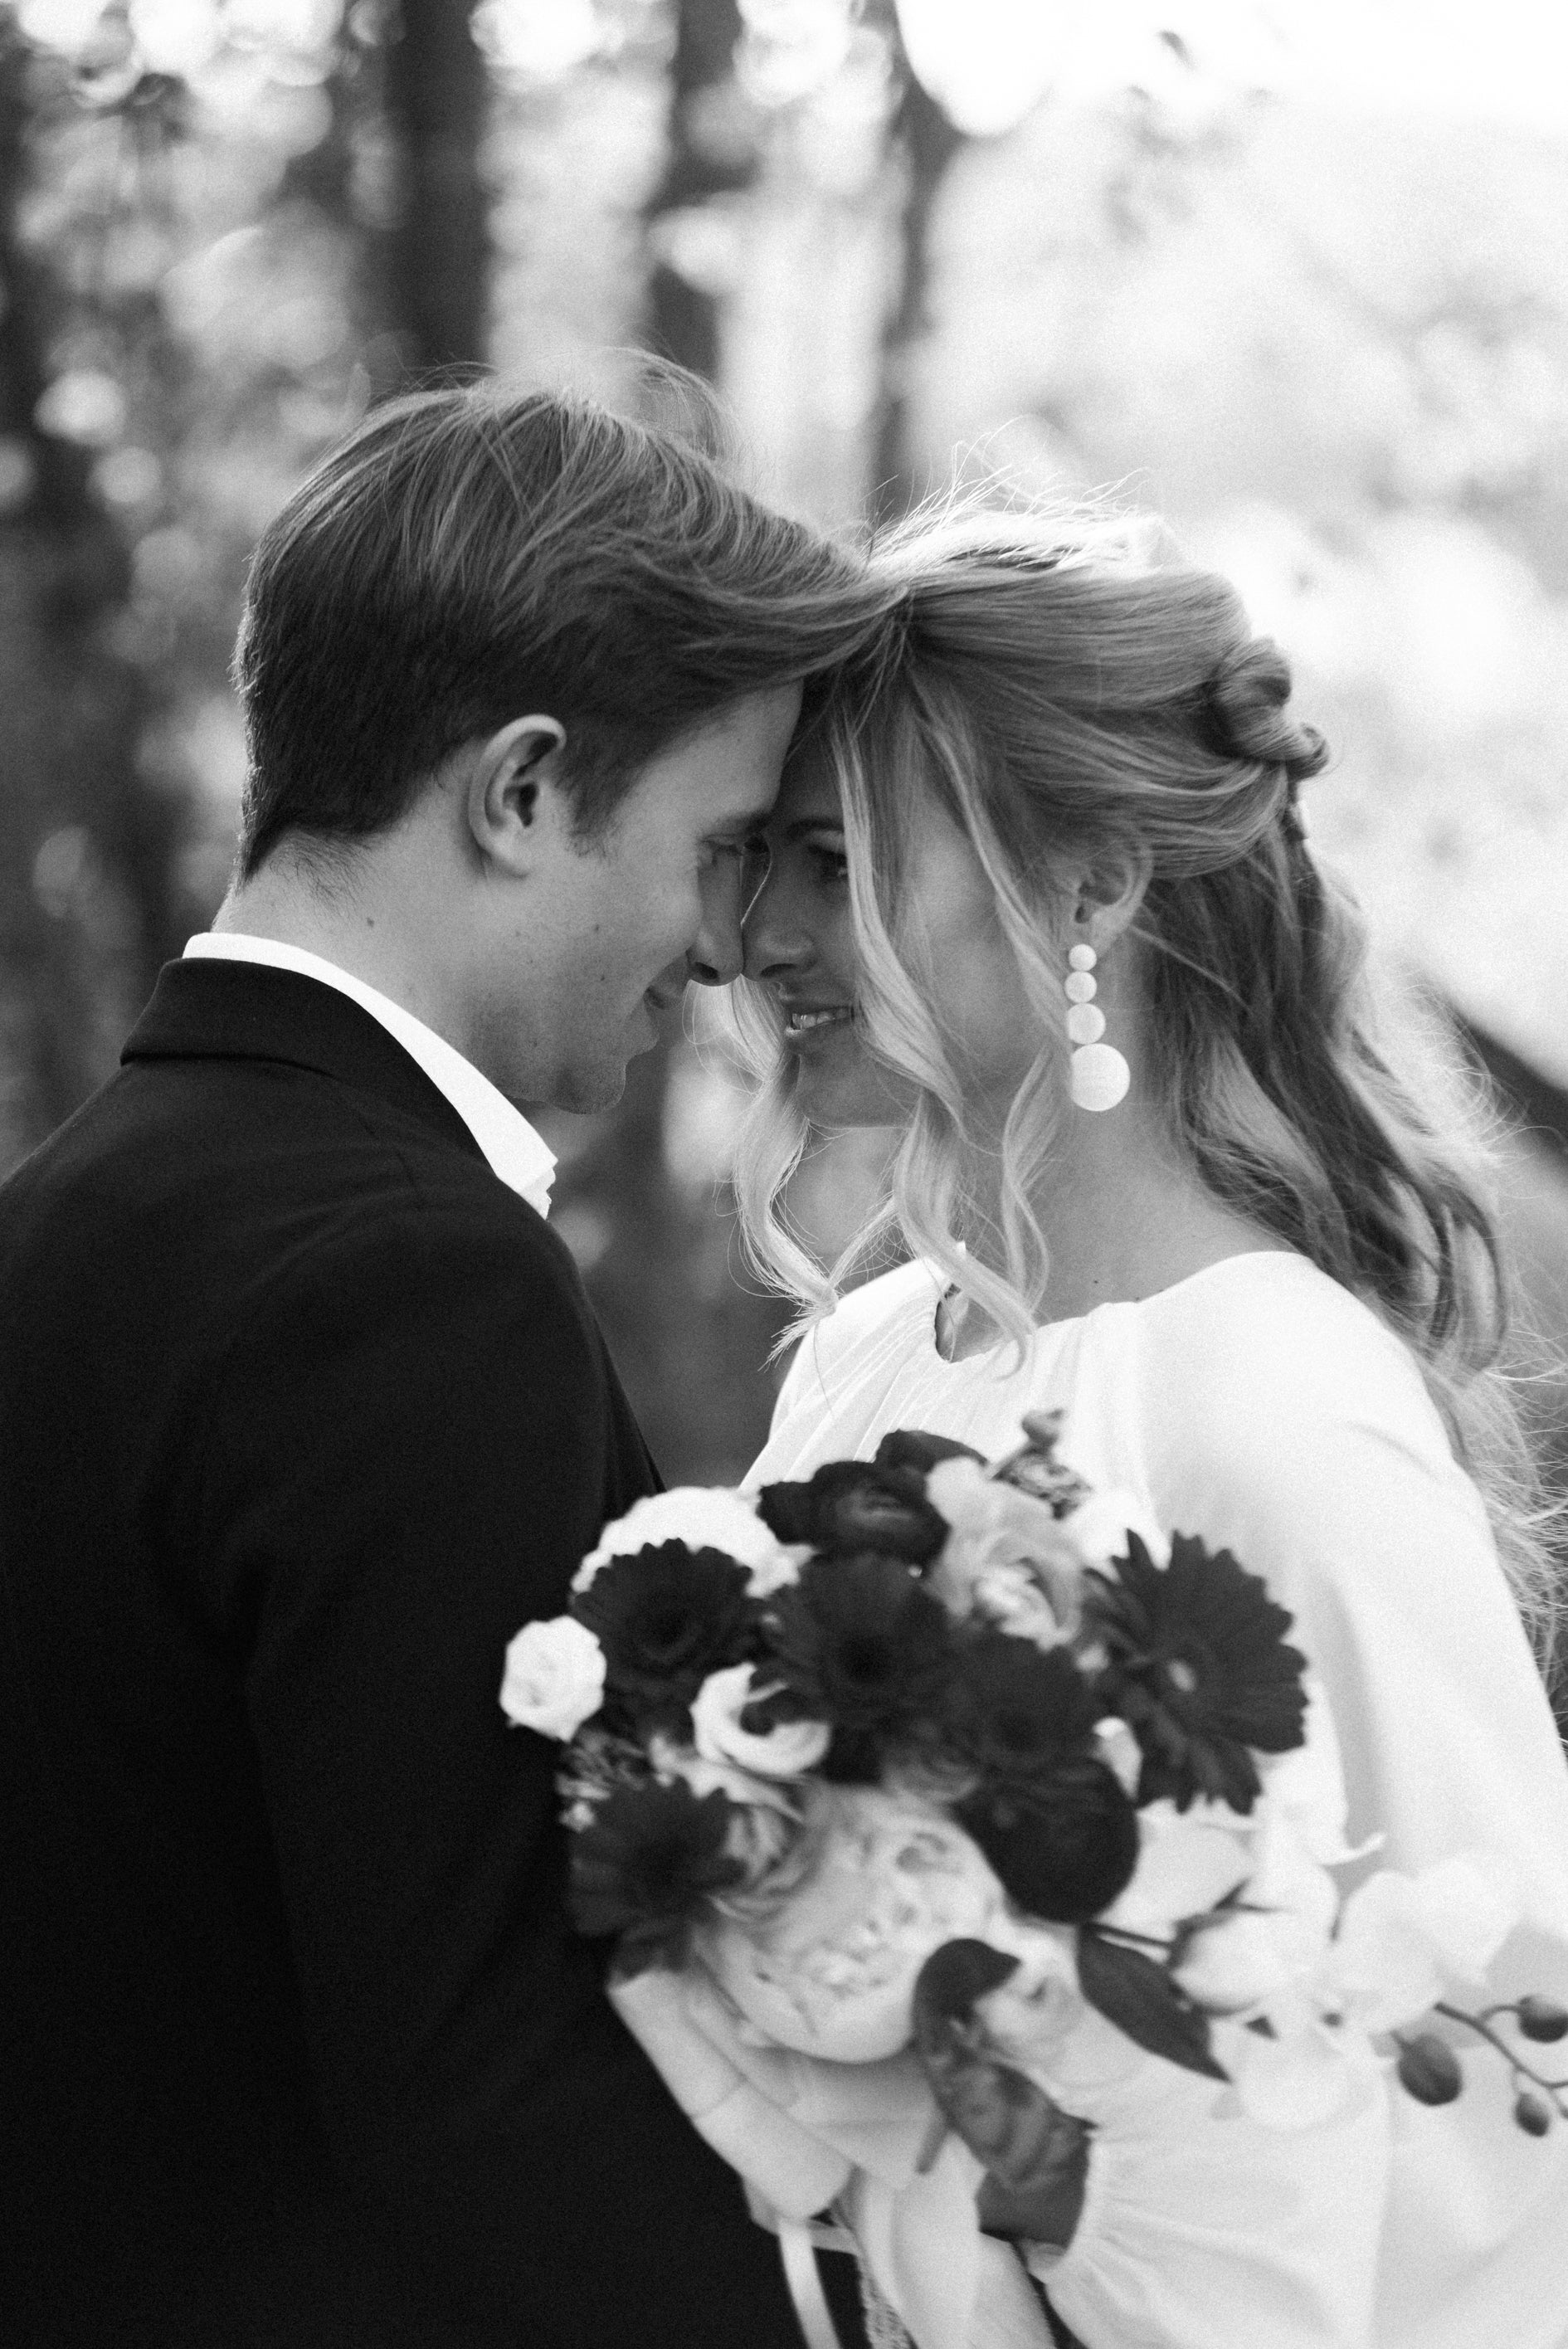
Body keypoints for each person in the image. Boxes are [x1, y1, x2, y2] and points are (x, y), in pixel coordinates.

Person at [0, 378, 896, 2347]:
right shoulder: (410, 1279)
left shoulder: (62, 1216)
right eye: (718, 847)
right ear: (524, 791)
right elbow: (485, 2090)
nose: (728, 950)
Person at [729, 504, 1568, 2349]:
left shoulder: (1271, 1405)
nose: (759, 938)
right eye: (758, 858)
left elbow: (1503, 2119)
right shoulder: (857, 1359)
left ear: (1093, 889)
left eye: (836, 860)